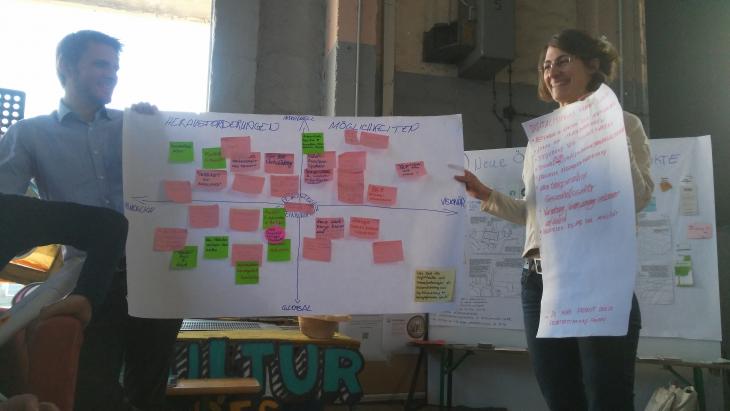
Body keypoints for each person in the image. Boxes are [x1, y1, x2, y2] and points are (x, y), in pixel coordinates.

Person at [455, 29, 653, 410]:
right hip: (538, 281)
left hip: (596, 277)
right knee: (561, 399)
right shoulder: (541, 137)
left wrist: (607, 127)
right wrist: (486, 195)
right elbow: (537, 215)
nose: (552, 72)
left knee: (607, 400)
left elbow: (639, 198)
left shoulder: (625, 123)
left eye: (563, 61)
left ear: (592, 65)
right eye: (546, 66)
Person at [0, 30, 181, 411]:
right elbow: (7, 211)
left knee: (150, 388)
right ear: (66, 66)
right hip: (91, 279)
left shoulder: (134, 126)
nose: (112, 74)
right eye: (101, 64)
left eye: (115, 67)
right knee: (92, 390)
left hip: (154, 273)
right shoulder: (29, 134)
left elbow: (177, 187)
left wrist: (159, 136)